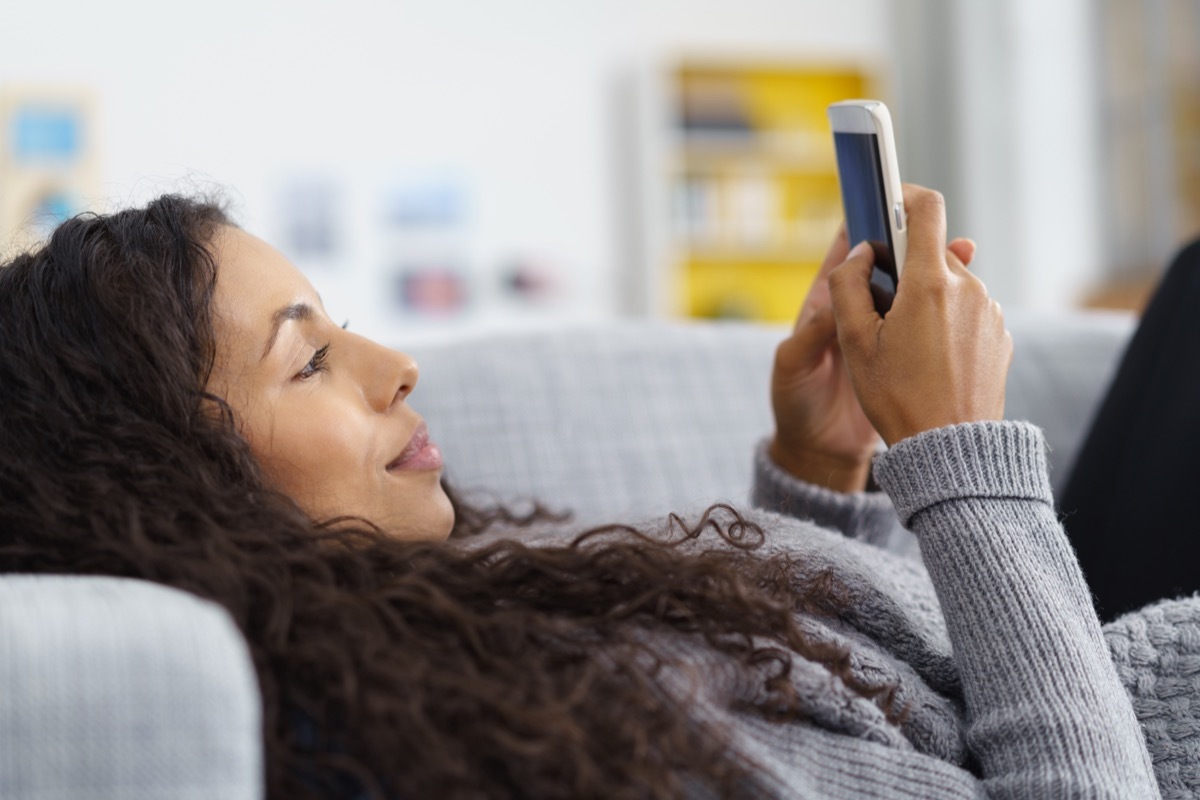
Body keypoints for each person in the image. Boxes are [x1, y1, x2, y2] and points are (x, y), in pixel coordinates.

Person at [0, 185, 1165, 799]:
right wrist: (961, 451)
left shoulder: (452, 626)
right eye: (308, 358)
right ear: (180, 493)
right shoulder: (488, 750)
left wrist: (825, 472)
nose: (396, 364)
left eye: (341, 327)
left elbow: (873, 707)